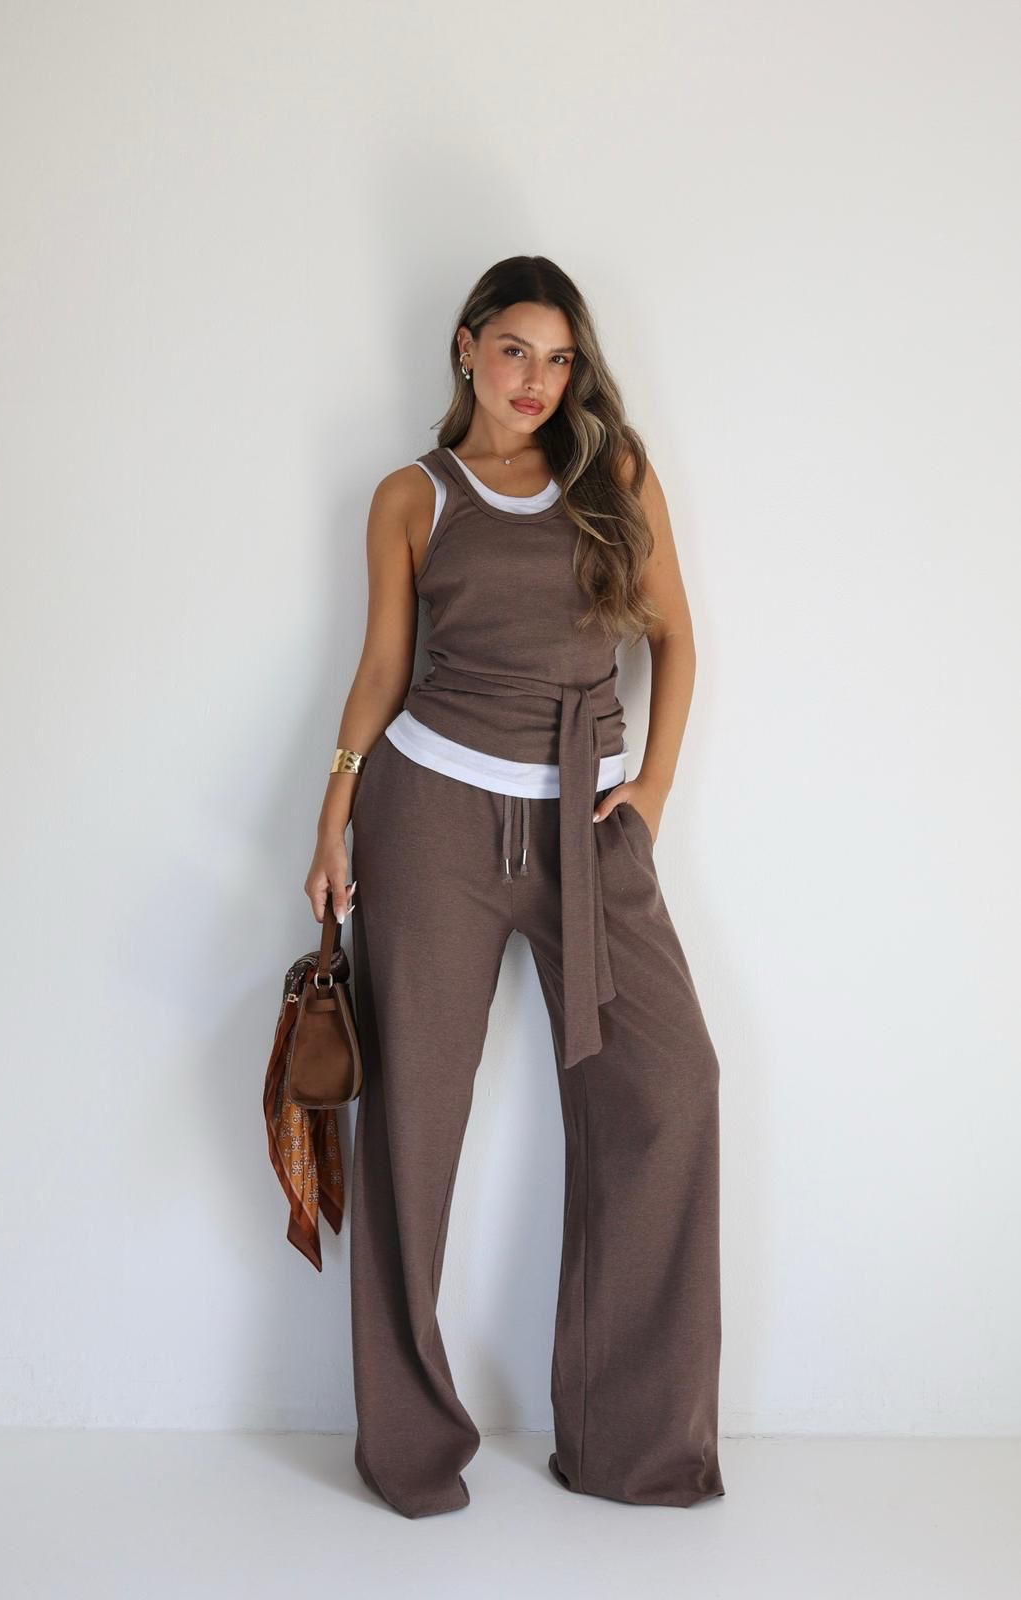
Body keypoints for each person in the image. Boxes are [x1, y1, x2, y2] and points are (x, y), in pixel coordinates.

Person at [304, 254, 725, 1519]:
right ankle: (410, 1447)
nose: (536, 379)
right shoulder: (412, 496)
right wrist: (333, 817)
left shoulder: (614, 475)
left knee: (670, 1084)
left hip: (586, 821)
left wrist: (651, 790)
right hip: (430, 820)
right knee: (415, 1124)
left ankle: (630, 1444)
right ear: (467, 347)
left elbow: (675, 635)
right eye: (514, 351)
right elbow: (381, 672)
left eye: (558, 357)